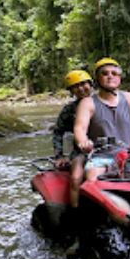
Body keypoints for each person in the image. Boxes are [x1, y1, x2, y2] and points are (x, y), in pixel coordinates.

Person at [53, 70, 93, 209]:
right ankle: (75, 210)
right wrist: (59, 156)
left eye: (83, 84)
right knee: (76, 178)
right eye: (76, 86)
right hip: (81, 150)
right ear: (71, 90)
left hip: (108, 146)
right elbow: (58, 132)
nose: (81, 88)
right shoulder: (69, 110)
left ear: (90, 84)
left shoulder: (103, 101)